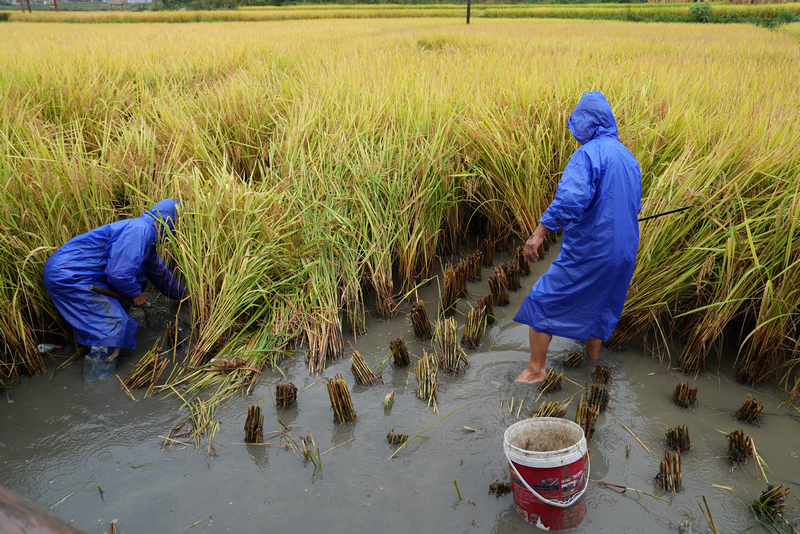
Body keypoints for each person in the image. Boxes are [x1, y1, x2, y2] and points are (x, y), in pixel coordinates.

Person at [513, 91, 642, 383]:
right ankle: (592, 364)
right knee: (602, 303)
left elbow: (570, 201)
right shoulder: (627, 157)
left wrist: (539, 233)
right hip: (624, 251)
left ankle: (535, 370)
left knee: (543, 301)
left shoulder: (588, 154)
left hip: (593, 249)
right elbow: (634, 206)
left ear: (587, 122)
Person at [44, 199, 187, 381]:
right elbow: (119, 273)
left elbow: (158, 271)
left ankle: (98, 347)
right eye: (178, 224)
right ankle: (98, 382)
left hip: (79, 272)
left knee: (115, 311)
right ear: (168, 221)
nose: (178, 230)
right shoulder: (139, 230)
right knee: (114, 323)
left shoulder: (147, 236)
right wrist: (136, 294)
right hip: (71, 275)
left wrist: (183, 295)